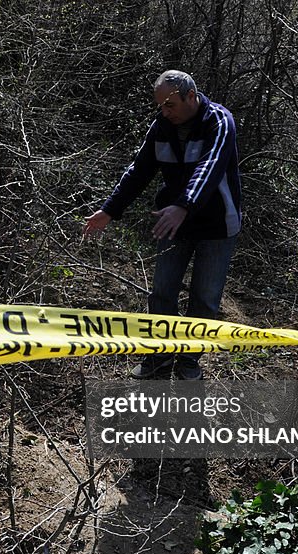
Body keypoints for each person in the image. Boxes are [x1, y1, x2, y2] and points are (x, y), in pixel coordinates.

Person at [83, 70, 241, 380]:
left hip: (217, 226)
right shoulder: (161, 128)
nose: (164, 112)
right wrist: (109, 210)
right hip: (173, 222)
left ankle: (189, 361)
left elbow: (209, 168)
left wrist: (184, 205)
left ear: (191, 97)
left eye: (170, 105)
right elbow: (138, 171)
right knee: (161, 294)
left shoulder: (220, 122)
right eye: (160, 106)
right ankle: (159, 356)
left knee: (205, 299)